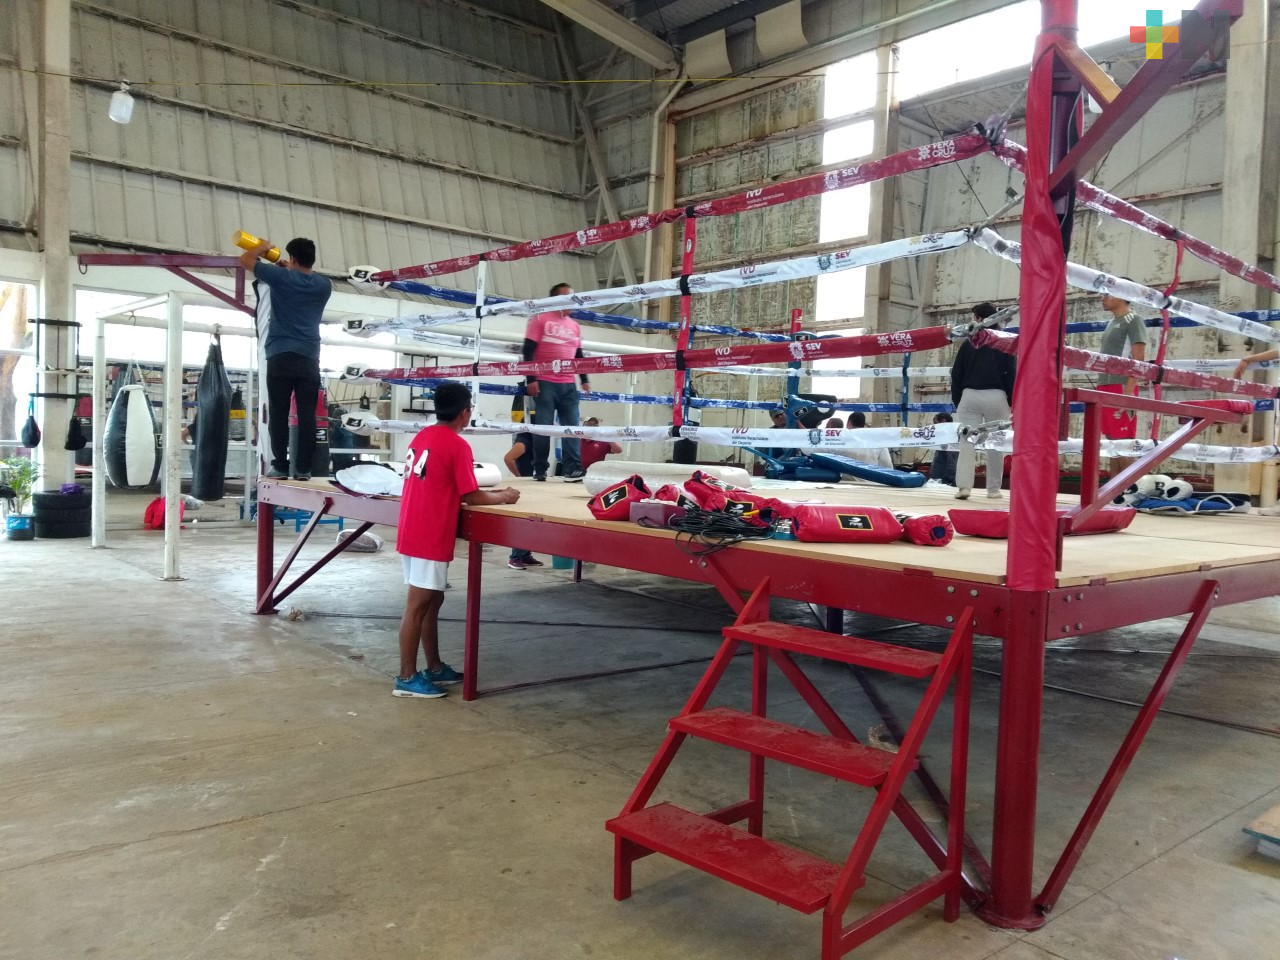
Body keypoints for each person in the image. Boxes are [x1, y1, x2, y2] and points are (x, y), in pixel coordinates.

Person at [394, 383, 520, 699]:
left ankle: (434, 667)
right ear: (465, 412)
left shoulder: (422, 436)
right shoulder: (457, 444)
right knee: (417, 605)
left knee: (431, 600)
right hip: (429, 532)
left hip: (413, 525)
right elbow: (472, 495)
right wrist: (504, 496)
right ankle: (406, 678)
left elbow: (448, 485)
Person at [239, 237, 332, 480]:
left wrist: (262, 248)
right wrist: (289, 269)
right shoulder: (324, 285)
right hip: (309, 358)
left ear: (292, 258)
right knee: (307, 415)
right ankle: (303, 469)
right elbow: (303, 278)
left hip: (280, 355)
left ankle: (280, 466)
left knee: (279, 413)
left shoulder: (281, 277)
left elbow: (245, 260)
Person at [524, 284, 590, 481]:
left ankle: (572, 468)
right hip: (545, 382)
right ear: (556, 299)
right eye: (568, 297)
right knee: (543, 427)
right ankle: (540, 469)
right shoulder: (540, 319)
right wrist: (531, 379)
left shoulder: (575, 326)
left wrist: (584, 379)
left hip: (568, 384)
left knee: (572, 426)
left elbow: (578, 355)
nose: (572, 302)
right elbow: (528, 349)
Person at [951, 302, 1016, 500]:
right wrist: (1012, 400)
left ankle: (964, 487)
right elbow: (1012, 373)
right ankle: (993, 490)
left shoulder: (969, 343)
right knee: (996, 443)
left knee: (966, 442)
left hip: (970, 394)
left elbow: (957, 373)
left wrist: (958, 399)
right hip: (997, 395)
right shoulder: (1005, 341)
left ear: (979, 319)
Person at [1096, 285, 1148, 475]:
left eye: (1108, 293)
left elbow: (1138, 357)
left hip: (1121, 387)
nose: (1103, 297)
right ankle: (1115, 490)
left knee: (1123, 442)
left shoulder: (1133, 319)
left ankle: (1134, 488)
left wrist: (1129, 392)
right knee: (1112, 442)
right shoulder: (1112, 322)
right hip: (1105, 385)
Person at [501, 421, 544, 571]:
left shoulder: (533, 440)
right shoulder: (525, 439)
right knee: (524, 521)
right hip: (525, 486)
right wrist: (520, 477)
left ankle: (524, 554)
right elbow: (508, 458)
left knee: (530, 521)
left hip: (531, 485)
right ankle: (515, 557)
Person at [929, 413, 958, 486]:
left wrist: (948, 479)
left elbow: (951, 461)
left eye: (935, 423)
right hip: (940, 478)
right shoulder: (944, 436)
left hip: (945, 479)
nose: (934, 426)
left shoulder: (951, 437)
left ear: (943, 421)